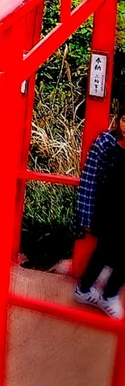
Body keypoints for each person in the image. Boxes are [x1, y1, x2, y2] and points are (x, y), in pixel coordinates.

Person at [73, 109, 125, 319]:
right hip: (108, 208)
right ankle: (84, 289)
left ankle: (109, 293)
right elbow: (90, 179)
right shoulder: (106, 143)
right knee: (104, 249)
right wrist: (84, 215)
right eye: (124, 118)